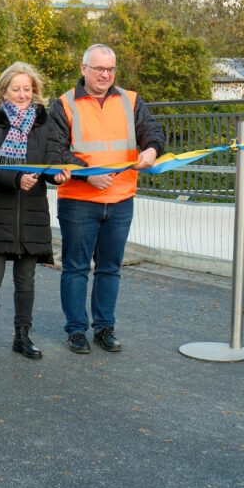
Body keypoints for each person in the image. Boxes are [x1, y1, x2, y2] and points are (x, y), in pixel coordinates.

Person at [49, 44, 165, 355]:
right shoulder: (64, 104)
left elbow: (153, 130)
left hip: (121, 197)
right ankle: (76, 329)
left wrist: (152, 149)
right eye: (99, 68)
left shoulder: (131, 100)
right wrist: (87, 174)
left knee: (110, 267)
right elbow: (55, 150)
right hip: (78, 198)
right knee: (75, 267)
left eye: (111, 69)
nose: (105, 74)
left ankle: (104, 327)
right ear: (83, 68)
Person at [0, 62, 71, 365]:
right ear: (4, 91)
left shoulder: (45, 125)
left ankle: (22, 337)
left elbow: (51, 162)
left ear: (35, 91)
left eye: (28, 88)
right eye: (16, 89)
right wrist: (15, 179)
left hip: (32, 213)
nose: (23, 94)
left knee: (26, 281)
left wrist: (57, 177)